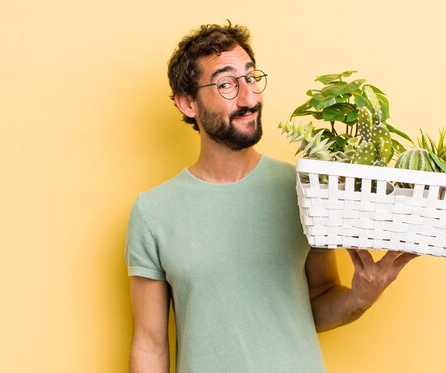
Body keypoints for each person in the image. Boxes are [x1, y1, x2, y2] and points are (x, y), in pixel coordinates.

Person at [125, 21, 417, 373]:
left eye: (250, 78)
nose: (250, 98)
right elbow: (150, 345)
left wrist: (362, 296)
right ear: (188, 103)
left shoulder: (307, 190)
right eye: (227, 84)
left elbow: (320, 299)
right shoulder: (153, 212)